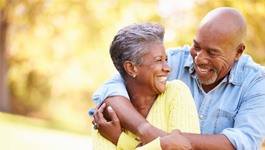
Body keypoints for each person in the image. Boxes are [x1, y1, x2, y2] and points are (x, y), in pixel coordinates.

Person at [92, 7, 265, 149]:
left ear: (238, 52)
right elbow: (112, 89)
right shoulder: (173, 60)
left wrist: (166, 143)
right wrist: (146, 131)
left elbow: (243, 142)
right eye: (196, 46)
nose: (199, 58)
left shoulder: (256, 82)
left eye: (212, 52)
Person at [92, 22, 200, 150]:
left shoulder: (176, 92)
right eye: (159, 60)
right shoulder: (106, 115)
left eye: (166, 59)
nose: (168, 68)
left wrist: (120, 140)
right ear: (131, 68)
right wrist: (163, 145)